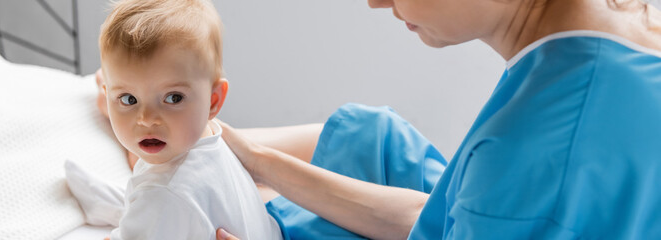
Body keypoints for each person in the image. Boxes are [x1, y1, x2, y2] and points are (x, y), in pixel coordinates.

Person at [214, 0, 661, 239]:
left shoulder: (533, 150)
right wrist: (259, 160)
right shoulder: (613, 38)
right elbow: (441, 215)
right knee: (371, 138)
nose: (376, 2)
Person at [97, 0, 283, 239]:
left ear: (213, 101)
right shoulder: (212, 136)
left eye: (173, 98)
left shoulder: (161, 195)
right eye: (128, 99)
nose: (146, 119)